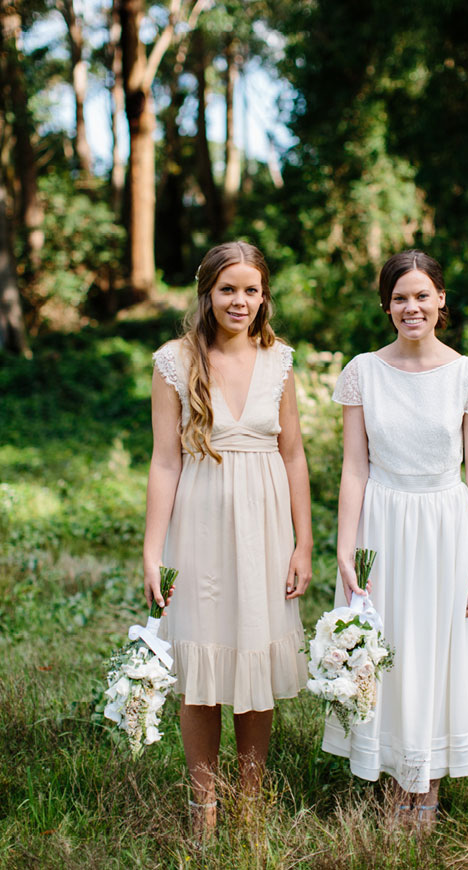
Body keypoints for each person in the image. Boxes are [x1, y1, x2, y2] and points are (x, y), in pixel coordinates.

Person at [322, 249, 468, 829]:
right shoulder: (362, 371)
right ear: (386, 305)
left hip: (445, 526)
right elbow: (354, 467)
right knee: (386, 645)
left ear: (441, 300)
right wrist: (346, 548)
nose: (411, 306)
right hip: (382, 523)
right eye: (400, 297)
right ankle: (392, 772)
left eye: (422, 295)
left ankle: (427, 786)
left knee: (435, 648)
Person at [143, 241, 312, 835]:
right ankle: (203, 804)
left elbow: (293, 456)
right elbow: (165, 462)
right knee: (203, 661)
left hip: (265, 528)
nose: (239, 300)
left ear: (264, 296)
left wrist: (303, 543)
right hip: (200, 524)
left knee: (256, 659)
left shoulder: (280, 362)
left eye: (251, 289)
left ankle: (251, 799)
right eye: (228, 289)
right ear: (207, 293)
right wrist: (152, 551)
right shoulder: (174, 362)